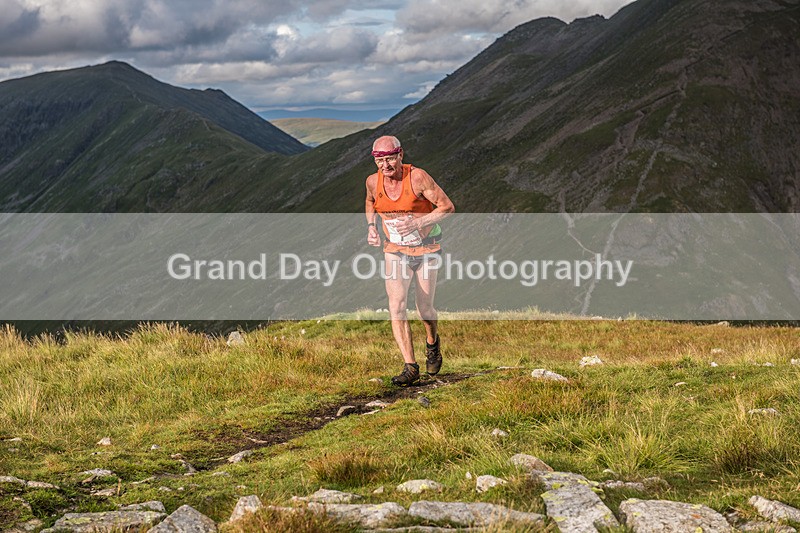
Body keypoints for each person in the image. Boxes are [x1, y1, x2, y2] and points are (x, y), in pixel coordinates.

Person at [365, 135, 455, 386]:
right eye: (380, 160)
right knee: (397, 306)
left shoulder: (417, 178)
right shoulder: (373, 182)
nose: (386, 165)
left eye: (390, 158)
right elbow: (370, 201)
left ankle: (432, 344)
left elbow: (447, 207)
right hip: (395, 250)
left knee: (424, 309)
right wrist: (371, 227)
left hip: (426, 250)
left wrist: (416, 222)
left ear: (400, 154)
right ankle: (410, 366)